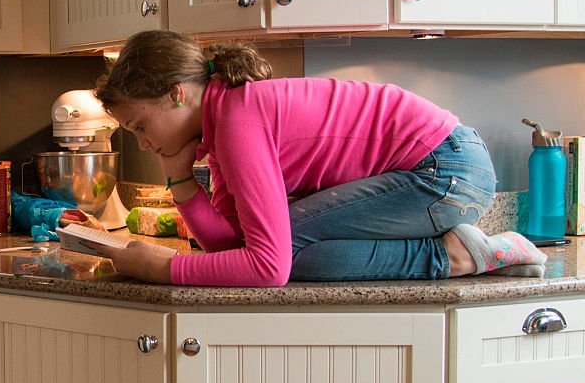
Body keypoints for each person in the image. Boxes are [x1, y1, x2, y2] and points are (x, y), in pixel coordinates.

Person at [93, 31, 547, 287]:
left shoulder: (238, 119)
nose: (142, 143)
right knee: (294, 257)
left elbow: (266, 269)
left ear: (176, 95)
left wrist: (161, 268)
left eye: (139, 126)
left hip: (444, 171)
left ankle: (460, 256)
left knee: (283, 255)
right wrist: (181, 179)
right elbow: (231, 251)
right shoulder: (221, 122)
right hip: (442, 174)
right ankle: (465, 249)